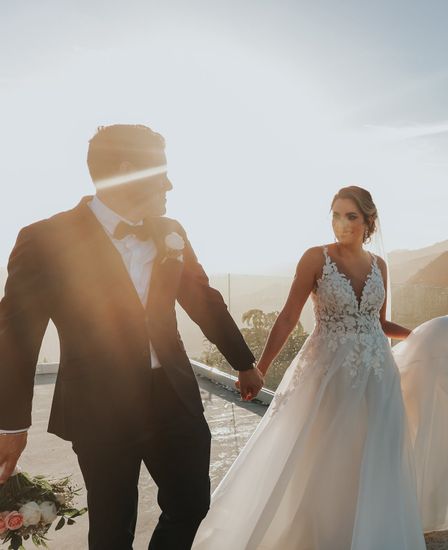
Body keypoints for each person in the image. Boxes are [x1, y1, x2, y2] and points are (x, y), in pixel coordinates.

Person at [0, 124, 265, 550]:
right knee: (112, 527)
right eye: (161, 171)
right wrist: (11, 424)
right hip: (99, 403)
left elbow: (202, 299)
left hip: (173, 396)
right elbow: (17, 336)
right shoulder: (44, 239)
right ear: (128, 171)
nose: (170, 184)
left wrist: (243, 361)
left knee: (192, 503)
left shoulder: (170, 230)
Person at [193, 186, 448, 549]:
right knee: (328, 455)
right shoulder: (315, 259)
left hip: (378, 375)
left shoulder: (380, 265)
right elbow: (288, 317)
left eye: (351, 215)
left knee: (377, 452)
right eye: (336, 214)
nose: (342, 223)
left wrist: (422, 336)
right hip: (329, 372)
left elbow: (377, 323)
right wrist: (260, 368)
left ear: (369, 221)